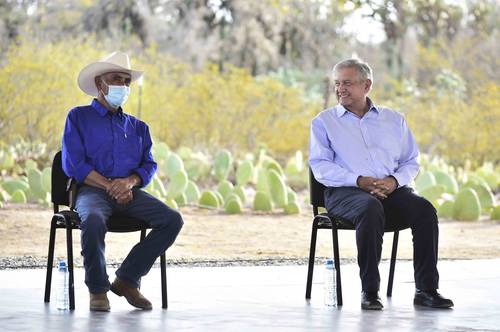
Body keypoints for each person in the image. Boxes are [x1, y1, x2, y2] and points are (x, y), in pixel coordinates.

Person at [309, 58, 453, 310]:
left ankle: (426, 290)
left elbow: (411, 161)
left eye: (348, 83)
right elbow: (320, 166)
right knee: (369, 207)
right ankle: (370, 291)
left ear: (367, 85)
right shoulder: (324, 122)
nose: (341, 89)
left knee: (425, 210)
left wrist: (394, 181)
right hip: (345, 194)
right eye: (337, 83)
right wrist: (359, 181)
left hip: (391, 191)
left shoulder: (394, 120)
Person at [62, 51, 183, 311]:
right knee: (93, 220)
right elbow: (74, 164)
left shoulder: (139, 127)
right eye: (116, 79)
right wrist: (110, 186)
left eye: (127, 81)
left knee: (172, 220)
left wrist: (128, 183)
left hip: (130, 194)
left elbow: (149, 165)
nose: (123, 86)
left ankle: (127, 279)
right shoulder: (78, 117)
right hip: (91, 191)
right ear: (99, 84)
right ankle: (98, 290)